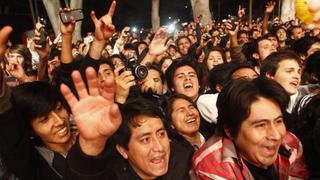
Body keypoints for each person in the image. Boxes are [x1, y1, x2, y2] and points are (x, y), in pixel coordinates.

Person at [61, 67, 193, 179]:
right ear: (123, 150)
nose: (159, 147)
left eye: (161, 134)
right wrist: (92, 143)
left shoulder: (183, 162)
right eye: (145, 139)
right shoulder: (114, 174)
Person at [193, 77, 309, 179]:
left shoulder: (291, 145)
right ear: (230, 131)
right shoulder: (211, 165)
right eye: (261, 125)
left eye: (278, 121)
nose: (276, 135)